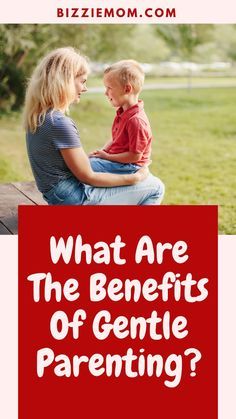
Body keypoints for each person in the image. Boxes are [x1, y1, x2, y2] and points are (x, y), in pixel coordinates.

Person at [23, 47, 164, 205]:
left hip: (56, 196)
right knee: (157, 187)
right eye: (82, 81)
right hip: (73, 199)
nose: (85, 88)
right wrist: (134, 178)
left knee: (96, 165)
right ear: (65, 81)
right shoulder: (59, 124)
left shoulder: (39, 117)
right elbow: (88, 177)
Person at [89, 60, 152, 175]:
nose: (105, 93)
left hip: (130, 166)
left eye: (109, 88)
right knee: (85, 161)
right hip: (118, 161)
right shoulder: (123, 112)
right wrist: (102, 152)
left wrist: (107, 157)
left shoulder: (136, 121)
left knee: (84, 167)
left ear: (127, 89)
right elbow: (115, 139)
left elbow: (135, 156)